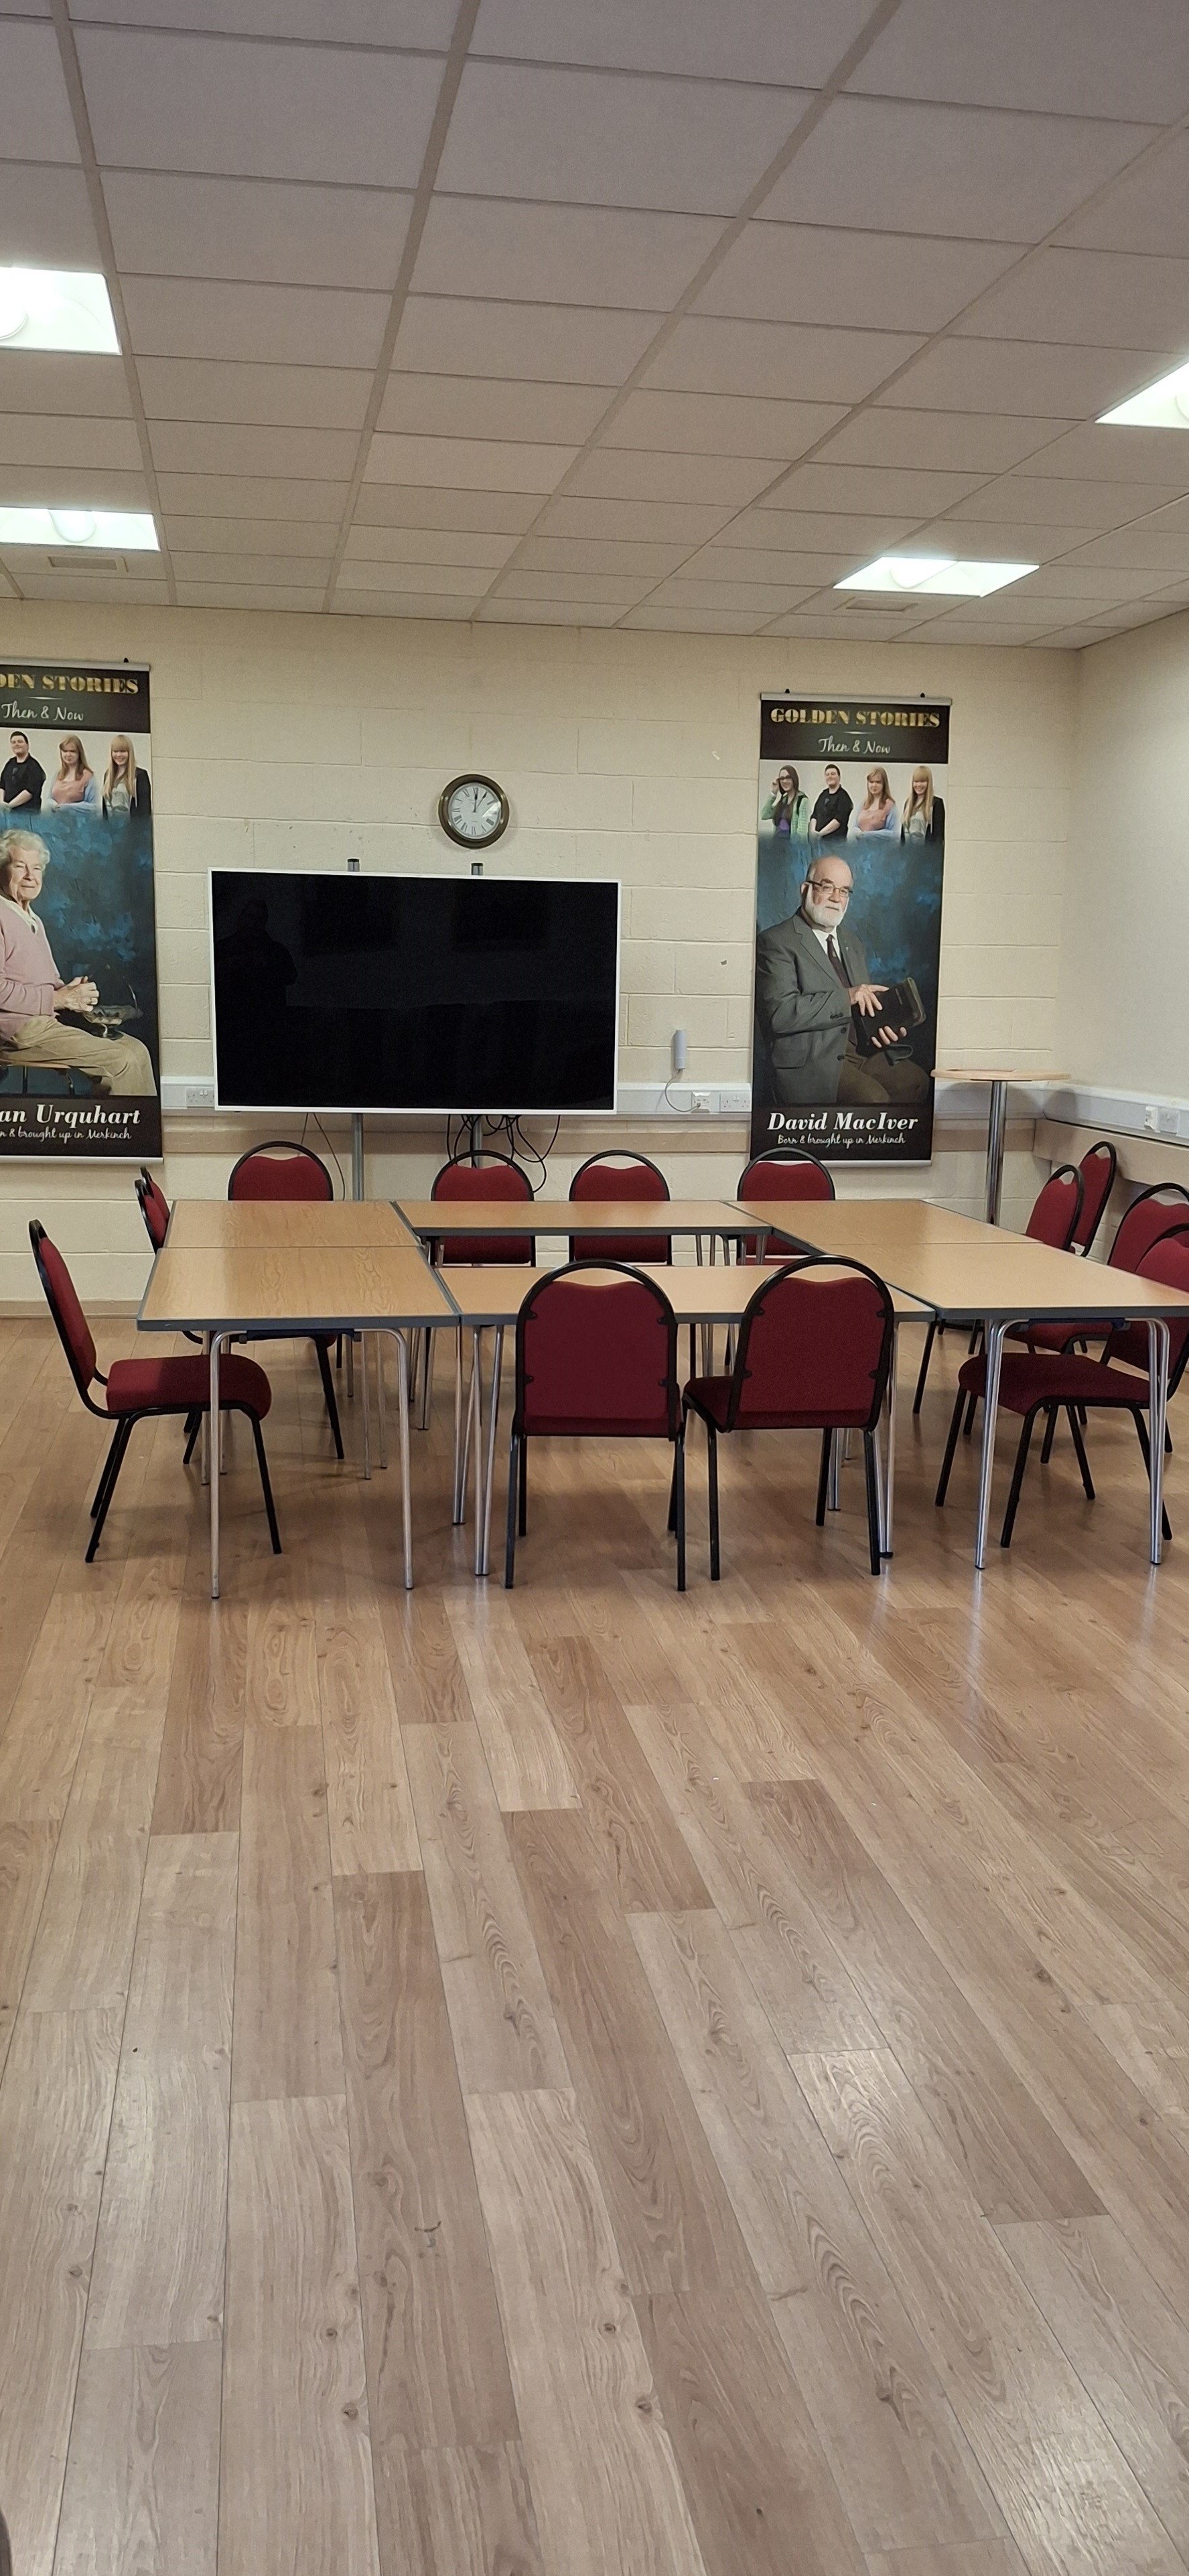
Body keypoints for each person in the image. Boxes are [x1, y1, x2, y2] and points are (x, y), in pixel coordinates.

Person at [754, 855, 929, 1108]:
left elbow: (861, 1009)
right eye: (827, 887)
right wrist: (847, 996)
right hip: (813, 1060)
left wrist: (882, 1028)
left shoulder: (853, 944)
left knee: (916, 1082)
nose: (836, 898)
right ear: (805, 890)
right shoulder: (776, 942)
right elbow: (779, 1015)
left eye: (844, 891)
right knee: (873, 1100)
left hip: (861, 1052)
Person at [0, 832, 155, 1095]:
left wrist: (73, 994)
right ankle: (114, 1135)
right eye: (20, 866)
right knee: (121, 1062)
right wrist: (58, 999)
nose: (30, 876)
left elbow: (46, 982)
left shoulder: (32, 918)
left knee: (138, 1051)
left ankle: (143, 1136)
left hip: (46, 1021)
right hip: (19, 1031)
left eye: (37, 868)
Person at [102, 734, 151, 817]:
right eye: (116, 751)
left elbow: (145, 811)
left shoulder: (140, 775)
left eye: (122, 751)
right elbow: (105, 810)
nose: (119, 755)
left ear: (129, 753)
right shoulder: (108, 775)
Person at [1, 730, 46, 812]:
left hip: (27, 814)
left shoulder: (34, 766)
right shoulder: (10, 763)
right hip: (7, 813)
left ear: (27, 745)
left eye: (20, 742)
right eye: (13, 742)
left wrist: (10, 806)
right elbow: (2, 785)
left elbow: (30, 791)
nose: (16, 744)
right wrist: (2, 804)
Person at [810, 762, 852, 848]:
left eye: (833, 774)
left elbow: (838, 821)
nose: (830, 776)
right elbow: (815, 815)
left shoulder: (844, 797)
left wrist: (820, 834)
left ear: (839, 777)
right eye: (827, 774)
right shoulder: (823, 794)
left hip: (836, 844)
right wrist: (813, 833)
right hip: (820, 844)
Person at [50, 734, 97, 808]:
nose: (68, 754)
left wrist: (67, 808)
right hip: (56, 819)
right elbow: (49, 799)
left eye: (72, 751)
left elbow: (94, 807)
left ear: (79, 753)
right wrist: (54, 806)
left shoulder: (88, 776)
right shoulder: (57, 775)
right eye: (65, 751)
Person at [761, 764, 808, 837]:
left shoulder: (802, 800)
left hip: (791, 846)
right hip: (777, 845)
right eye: (782, 778)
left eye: (788, 778)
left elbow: (802, 833)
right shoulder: (783, 800)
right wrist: (773, 793)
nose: (785, 781)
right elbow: (764, 815)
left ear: (794, 779)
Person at [902, 764, 945, 842]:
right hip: (907, 852)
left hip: (926, 853)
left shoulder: (936, 804)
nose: (919, 785)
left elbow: (939, 837)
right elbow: (903, 836)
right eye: (916, 782)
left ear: (929, 783)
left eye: (922, 781)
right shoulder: (908, 803)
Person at [855, 765, 898, 834]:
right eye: (871, 782)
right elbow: (855, 826)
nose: (874, 785)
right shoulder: (864, 804)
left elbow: (894, 833)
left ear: (884, 784)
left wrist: (869, 835)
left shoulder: (890, 805)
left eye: (878, 782)